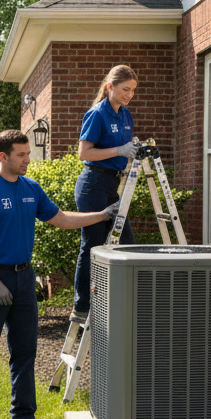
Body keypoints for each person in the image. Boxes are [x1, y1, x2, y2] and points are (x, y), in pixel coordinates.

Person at [0, 130, 119, 419]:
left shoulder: (31, 188)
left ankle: (23, 416)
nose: (27, 160)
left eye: (28, 154)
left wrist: (101, 215)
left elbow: (61, 219)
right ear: (3, 156)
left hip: (23, 279)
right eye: (21, 155)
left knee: (25, 351)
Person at [72, 65, 140, 321]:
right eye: (125, 89)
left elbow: (123, 147)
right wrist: (119, 150)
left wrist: (132, 150)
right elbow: (84, 153)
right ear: (110, 86)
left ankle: (125, 299)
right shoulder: (97, 114)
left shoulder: (125, 115)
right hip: (93, 185)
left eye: (133, 91)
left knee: (127, 244)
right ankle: (82, 306)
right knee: (92, 244)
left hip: (113, 185)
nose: (129, 95)